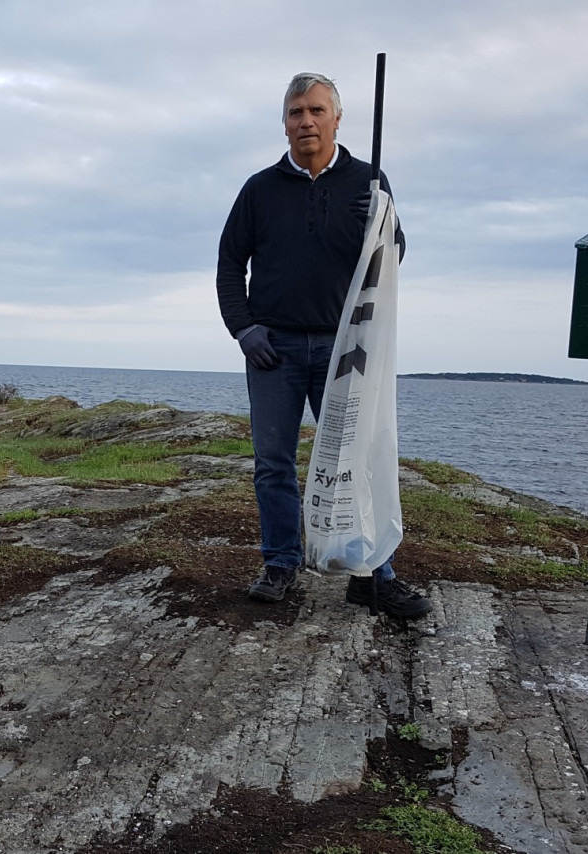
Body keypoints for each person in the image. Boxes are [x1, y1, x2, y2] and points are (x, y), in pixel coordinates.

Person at [215, 73, 431, 619]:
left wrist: (380, 229)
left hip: (347, 349)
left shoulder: (369, 181)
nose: (305, 121)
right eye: (295, 113)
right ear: (284, 122)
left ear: (337, 118)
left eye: (315, 111)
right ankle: (281, 562)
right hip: (275, 351)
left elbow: (393, 257)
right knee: (273, 463)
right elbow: (227, 264)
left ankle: (371, 574)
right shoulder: (259, 189)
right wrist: (244, 328)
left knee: (357, 462)